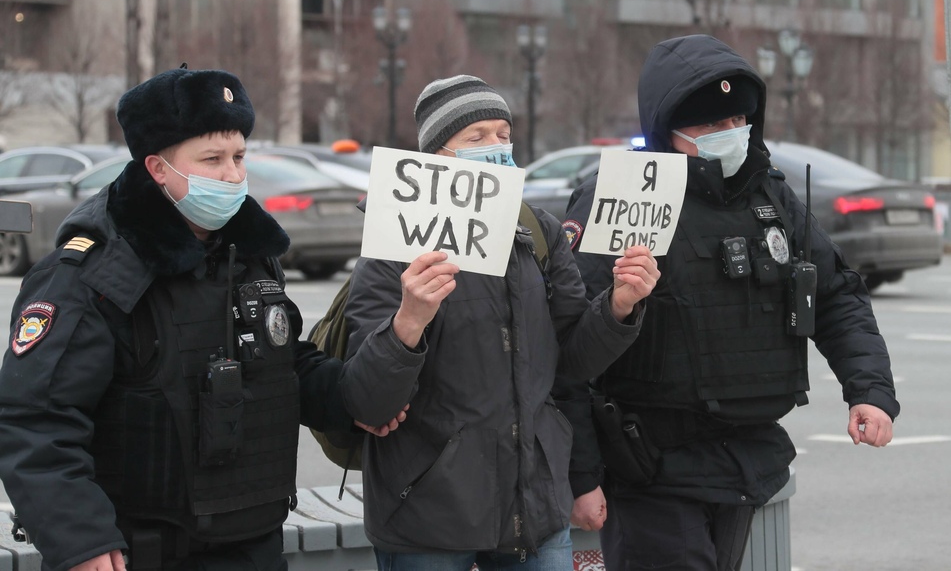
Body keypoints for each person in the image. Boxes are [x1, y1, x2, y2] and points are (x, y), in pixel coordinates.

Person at [0, 66, 401, 571]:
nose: (234, 175)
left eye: (239, 157)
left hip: (254, 546)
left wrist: (356, 397)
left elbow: (286, 367)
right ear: (158, 168)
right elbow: (35, 419)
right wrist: (80, 539)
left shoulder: (249, 255)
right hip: (139, 552)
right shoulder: (93, 273)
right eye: (212, 160)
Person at [560, 34, 900, 571]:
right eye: (710, 126)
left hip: (744, 460)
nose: (729, 135)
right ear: (667, 130)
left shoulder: (770, 195)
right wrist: (581, 476)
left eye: (736, 121)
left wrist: (870, 392)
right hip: (650, 466)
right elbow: (566, 354)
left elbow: (836, 295)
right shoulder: (624, 196)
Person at [335, 74, 661, 570]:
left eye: (503, 135)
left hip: (532, 503)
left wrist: (619, 307)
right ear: (438, 156)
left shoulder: (537, 231)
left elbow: (571, 359)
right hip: (426, 513)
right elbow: (367, 399)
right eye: (477, 137)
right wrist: (409, 321)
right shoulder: (394, 245)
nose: (497, 148)